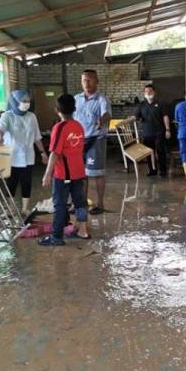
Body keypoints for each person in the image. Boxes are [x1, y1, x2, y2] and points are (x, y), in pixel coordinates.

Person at [39, 94, 90, 246]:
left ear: (57, 110)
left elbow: (55, 153)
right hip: (79, 172)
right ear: (74, 109)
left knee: (60, 205)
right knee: (80, 202)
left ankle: (56, 237)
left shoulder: (59, 127)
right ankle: (83, 230)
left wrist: (47, 174)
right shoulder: (78, 126)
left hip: (64, 174)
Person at [0, 90, 48, 215]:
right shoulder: (7, 115)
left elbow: (37, 137)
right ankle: (10, 209)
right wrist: (0, 137)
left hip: (28, 156)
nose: (26, 104)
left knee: (26, 182)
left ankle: (25, 208)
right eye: (24, 101)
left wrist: (43, 153)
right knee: (11, 183)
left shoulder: (32, 117)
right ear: (15, 102)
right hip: (12, 156)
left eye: (28, 101)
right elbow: (0, 128)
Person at [73, 69, 111, 215]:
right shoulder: (77, 99)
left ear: (97, 81)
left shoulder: (102, 99)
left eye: (89, 79)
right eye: (84, 80)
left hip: (96, 139)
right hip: (78, 140)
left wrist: (101, 121)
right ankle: (81, 202)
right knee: (82, 173)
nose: (86, 83)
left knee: (97, 173)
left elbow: (106, 114)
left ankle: (100, 203)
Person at [134, 84, 171, 177]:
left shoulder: (161, 104)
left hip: (159, 131)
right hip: (147, 132)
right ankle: (152, 170)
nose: (148, 93)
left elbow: (165, 117)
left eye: (150, 91)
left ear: (154, 92)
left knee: (160, 151)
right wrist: (132, 119)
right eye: (146, 91)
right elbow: (136, 117)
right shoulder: (141, 105)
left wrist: (167, 129)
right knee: (149, 152)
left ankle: (163, 170)